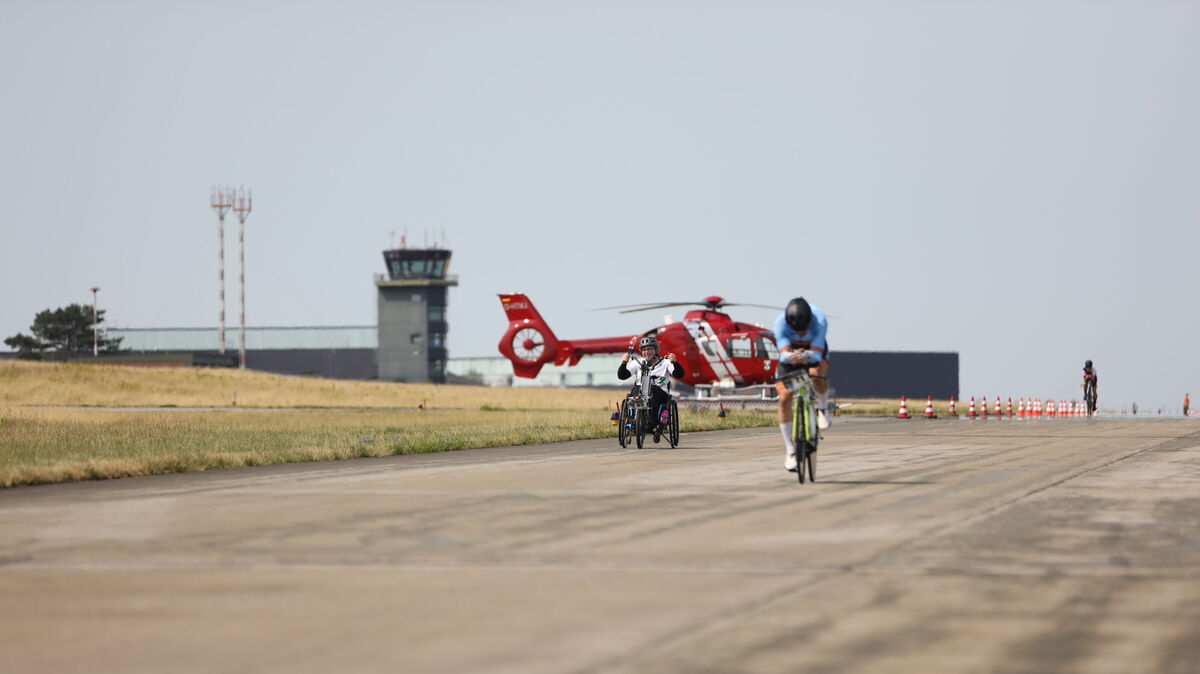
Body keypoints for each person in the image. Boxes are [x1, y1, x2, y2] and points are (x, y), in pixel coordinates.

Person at [774, 297, 830, 472]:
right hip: (791, 353)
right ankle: (790, 450)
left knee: (815, 374)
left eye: (803, 330)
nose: (799, 333)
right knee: (784, 398)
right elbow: (782, 354)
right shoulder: (780, 323)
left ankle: (822, 408)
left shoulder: (820, 321)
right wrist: (792, 356)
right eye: (796, 331)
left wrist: (806, 355)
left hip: (813, 351)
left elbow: (817, 354)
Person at [618, 335, 684, 439]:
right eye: (644, 350)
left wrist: (675, 363)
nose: (647, 352)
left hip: (660, 394)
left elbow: (679, 374)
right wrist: (623, 363)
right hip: (640, 392)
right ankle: (632, 420)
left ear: (655, 350)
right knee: (635, 389)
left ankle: (651, 423)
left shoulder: (665, 362)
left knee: (652, 389)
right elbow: (622, 376)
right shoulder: (638, 362)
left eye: (650, 349)